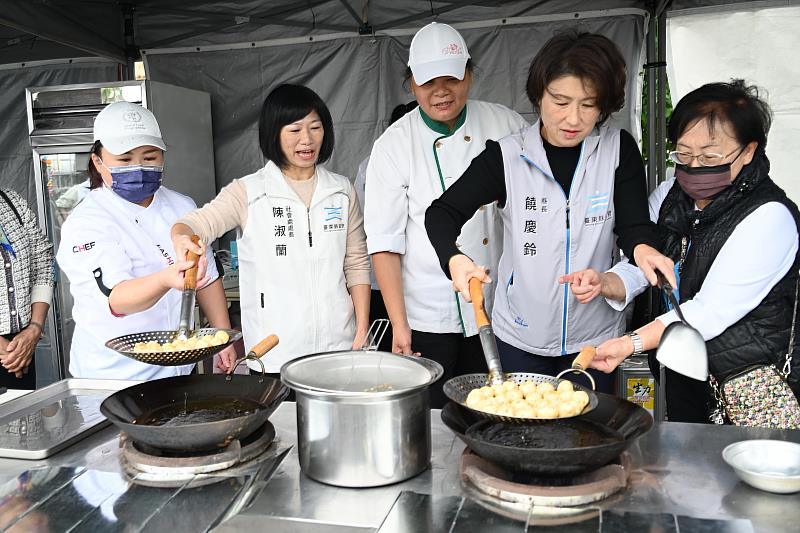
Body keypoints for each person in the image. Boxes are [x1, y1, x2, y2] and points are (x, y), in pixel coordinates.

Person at [425, 31, 674, 394]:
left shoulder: (617, 149)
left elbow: (634, 228)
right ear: (539, 95)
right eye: (560, 101)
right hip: (519, 336)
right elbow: (441, 213)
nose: (573, 118)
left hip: (595, 340)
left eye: (588, 105)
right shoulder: (507, 156)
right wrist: (454, 259)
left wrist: (644, 249)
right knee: (525, 435)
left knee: (586, 438)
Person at [585, 80, 800, 422]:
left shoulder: (769, 216)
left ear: (748, 151)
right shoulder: (670, 194)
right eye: (683, 154)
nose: (695, 166)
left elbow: (709, 311)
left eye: (710, 156)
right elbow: (644, 263)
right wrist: (607, 281)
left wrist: (630, 343)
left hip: (744, 381)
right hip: (683, 369)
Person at [364, 22, 529, 408]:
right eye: (427, 82)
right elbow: (385, 243)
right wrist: (399, 324)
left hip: (497, 306)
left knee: (495, 412)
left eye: (451, 78)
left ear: (469, 75)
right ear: (411, 84)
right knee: (433, 418)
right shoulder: (393, 145)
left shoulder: (506, 125)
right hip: (426, 313)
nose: (441, 92)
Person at [172, 84, 371, 375]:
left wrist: (362, 327)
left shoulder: (341, 190)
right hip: (275, 353)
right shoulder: (249, 192)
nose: (307, 139)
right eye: (295, 130)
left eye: (315, 128)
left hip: (337, 348)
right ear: (273, 133)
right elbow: (196, 223)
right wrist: (180, 237)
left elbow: (356, 262)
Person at [57, 101, 236, 380]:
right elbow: (118, 299)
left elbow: (207, 278)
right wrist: (166, 278)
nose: (138, 167)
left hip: (178, 368)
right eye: (125, 160)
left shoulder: (182, 207)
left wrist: (222, 336)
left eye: (150, 158)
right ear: (98, 161)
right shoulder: (87, 222)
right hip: (113, 375)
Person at [354, 100, 418, 352]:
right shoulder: (374, 163)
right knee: (385, 345)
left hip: (415, 280)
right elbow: (362, 217)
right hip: (380, 274)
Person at [0, 188, 54, 389]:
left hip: (21, 348)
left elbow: (43, 262)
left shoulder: (11, 201)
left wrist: (34, 328)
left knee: (23, 417)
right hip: (11, 353)